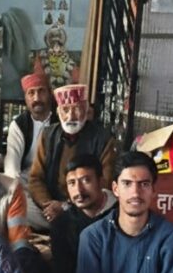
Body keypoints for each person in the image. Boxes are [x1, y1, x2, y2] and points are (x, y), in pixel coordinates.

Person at [45, 153, 116, 273]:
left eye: (86, 180)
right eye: (72, 183)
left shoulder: (121, 217)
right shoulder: (62, 224)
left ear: (101, 181)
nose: (79, 190)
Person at [29, 83, 115, 226]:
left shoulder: (103, 139)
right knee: (22, 206)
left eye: (77, 109)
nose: (71, 116)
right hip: (50, 207)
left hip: (87, 206)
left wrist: (66, 206)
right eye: (65, 110)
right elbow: (35, 178)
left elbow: (104, 183)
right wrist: (49, 205)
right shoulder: (48, 135)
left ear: (86, 110)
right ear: (58, 112)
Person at [2, 73, 58, 232]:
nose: (37, 98)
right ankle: (55, 222)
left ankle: (54, 217)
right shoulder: (19, 125)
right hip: (27, 182)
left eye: (41, 91)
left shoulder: (60, 121)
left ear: (50, 93)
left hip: (55, 182)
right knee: (14, 199)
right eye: (31, 93)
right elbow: (12, 170)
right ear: (25, 98)